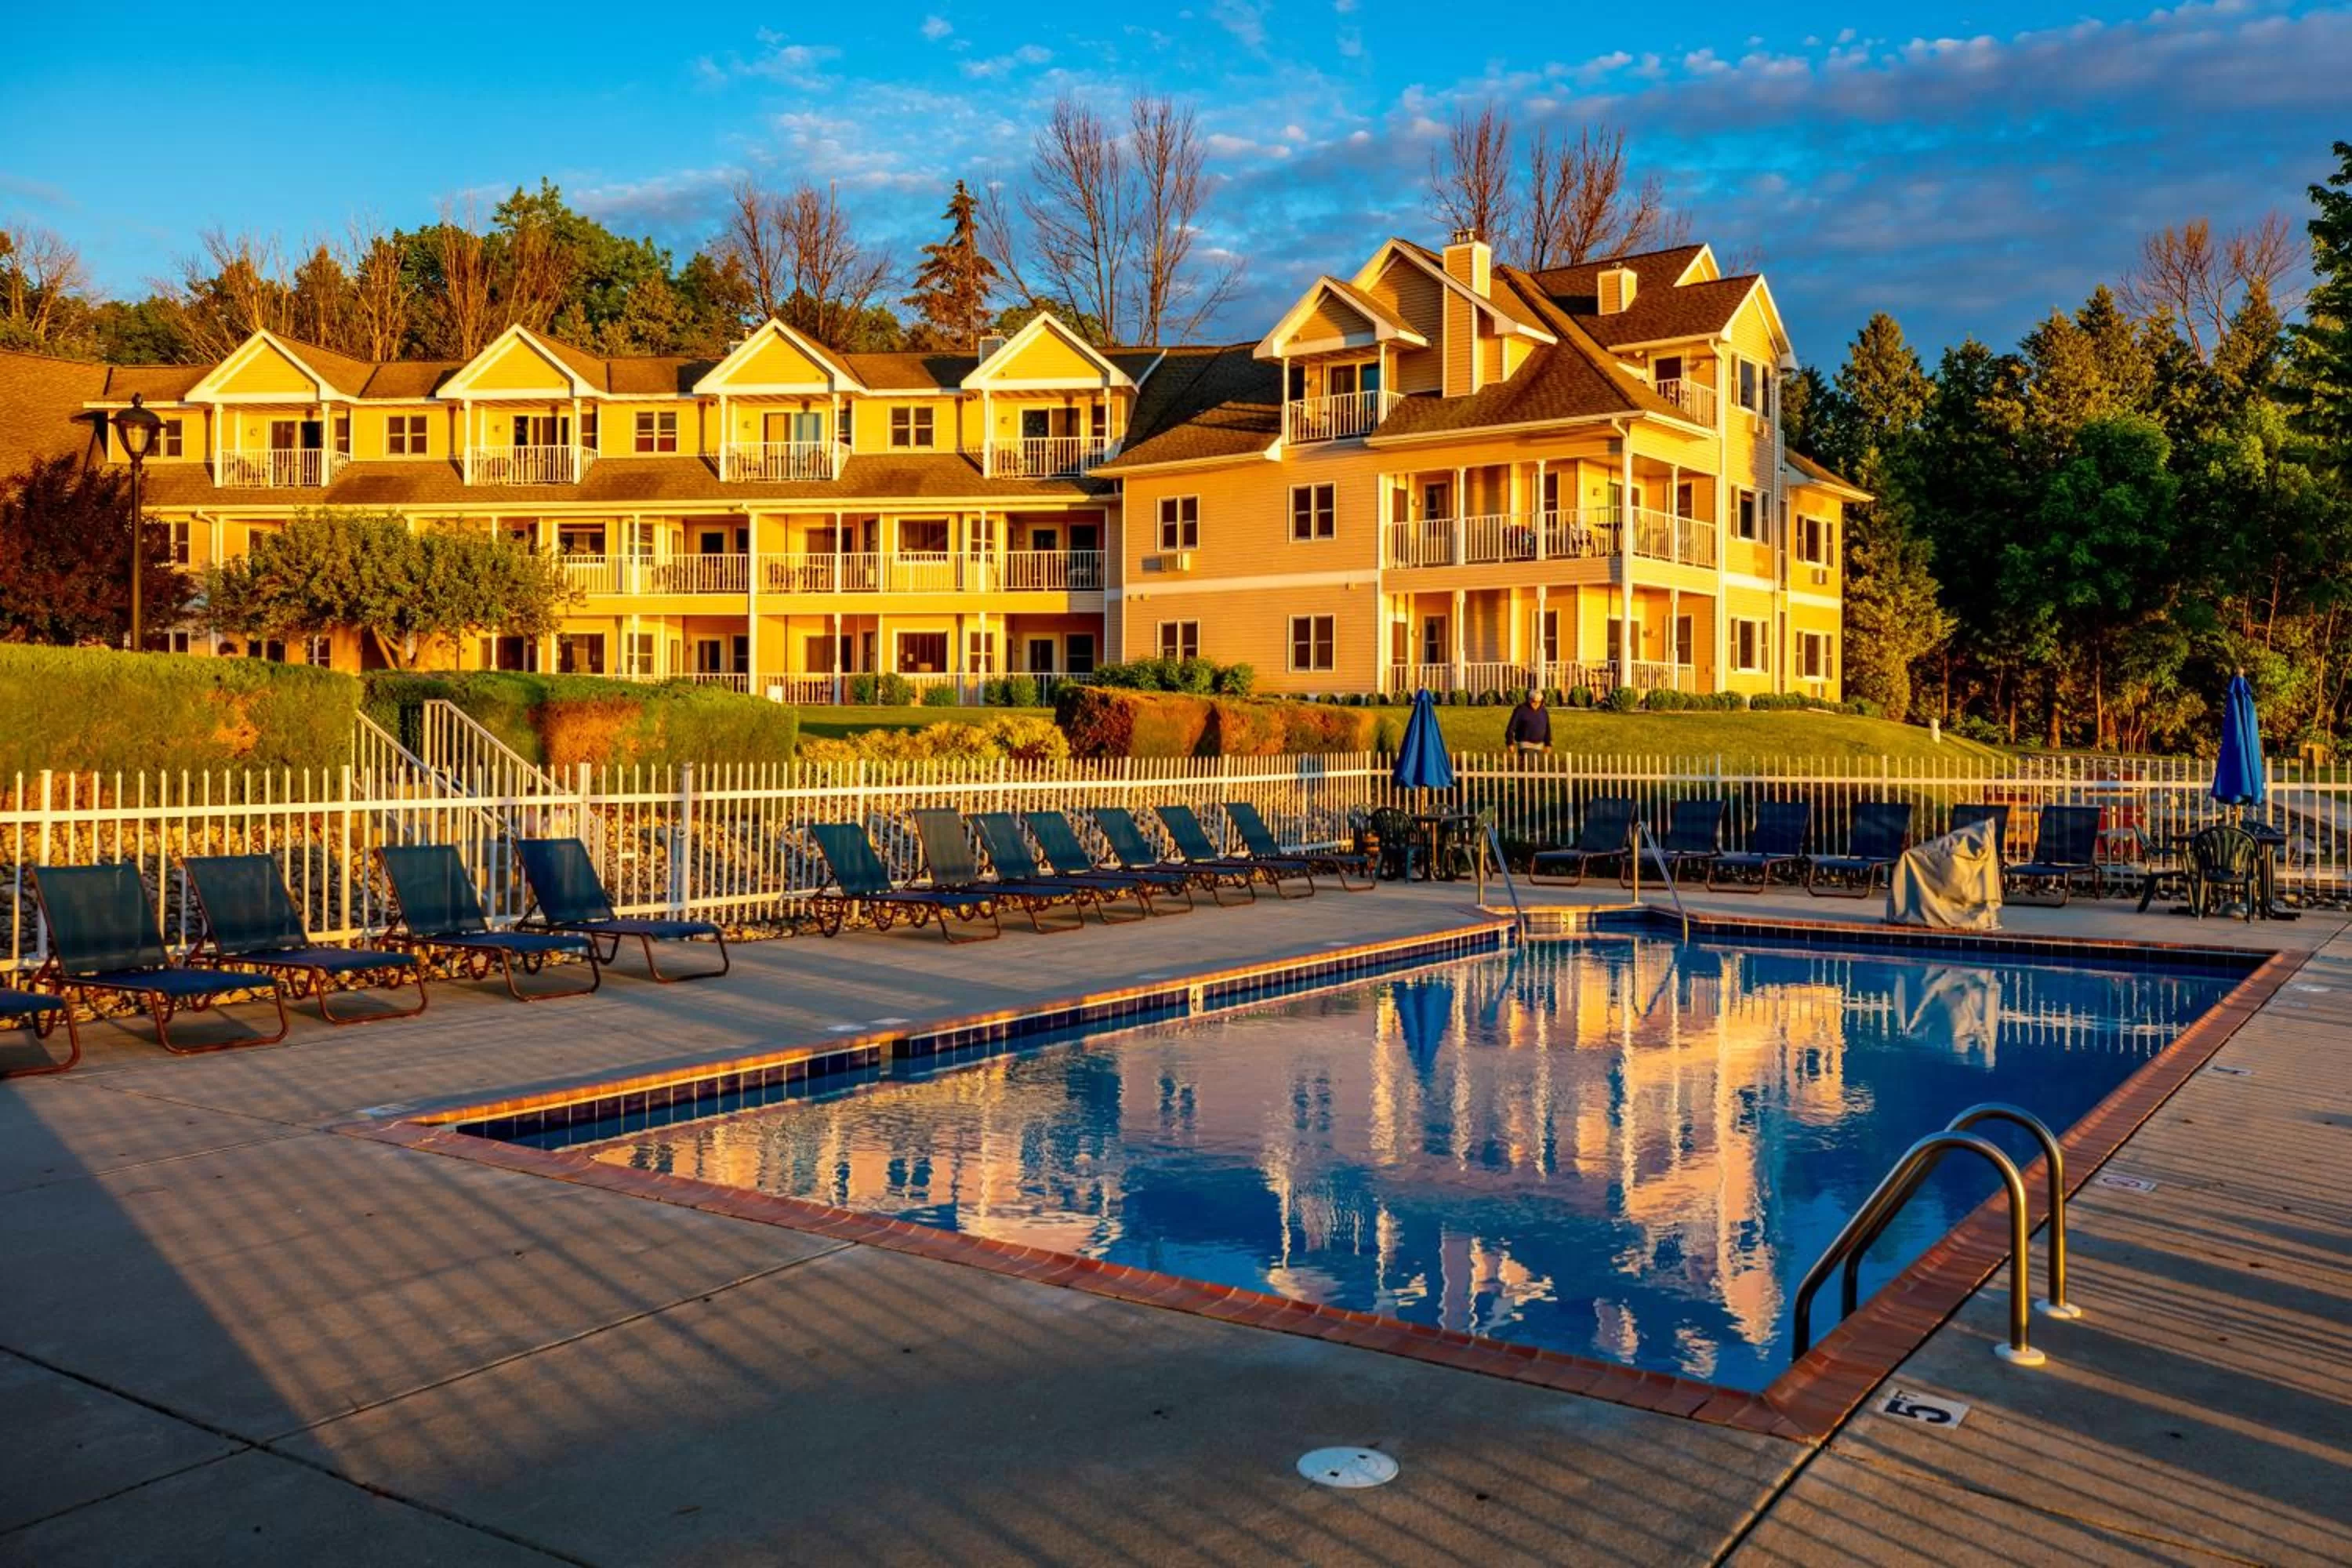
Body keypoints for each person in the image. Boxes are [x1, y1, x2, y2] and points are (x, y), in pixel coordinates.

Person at [1504, 688, 1552, 753]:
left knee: (1537, 763)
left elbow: (1547, 728)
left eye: (1539, 702)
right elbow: (1511, 727)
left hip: (1539, 746)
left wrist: (1548, 744)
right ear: (1529, 700)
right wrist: (1510, 742)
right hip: (1525, 745)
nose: (1537, 704)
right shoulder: (1521, 709)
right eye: (1534, 702)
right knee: (1528, 762)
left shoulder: (1543, 711)